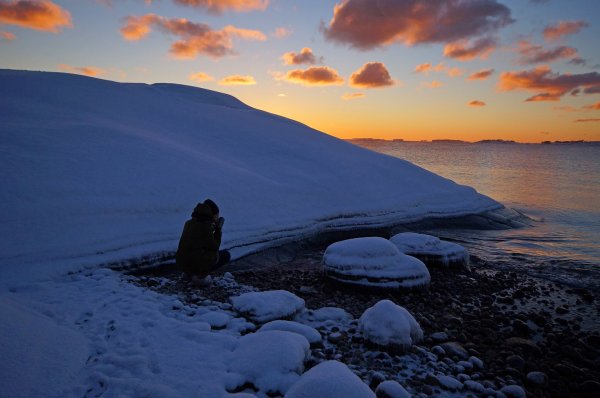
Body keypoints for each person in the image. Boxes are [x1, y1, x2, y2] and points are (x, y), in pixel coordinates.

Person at [176, 199, 231, 280]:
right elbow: (215, 246)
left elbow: (199, 242)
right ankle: (199, 276)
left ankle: (188, 273)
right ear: (212, 214)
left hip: (181, 262)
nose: (217, 217)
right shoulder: (205, 227)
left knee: (200, 252)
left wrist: (212, 227)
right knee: (225, 255)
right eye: (216, 215)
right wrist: (218, 230)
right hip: (194, 262)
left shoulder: (189, 223)